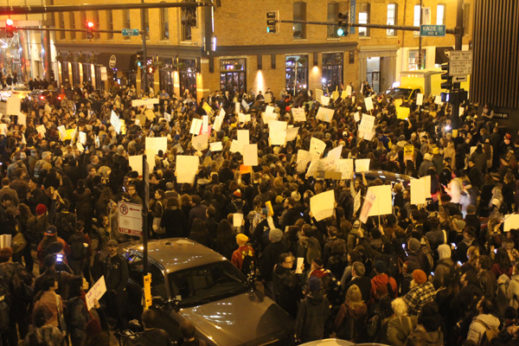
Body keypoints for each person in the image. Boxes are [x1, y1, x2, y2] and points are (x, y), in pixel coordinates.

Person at [92, 239, 128, 330]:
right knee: (108, 310)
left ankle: (120, 328)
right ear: (107, 248)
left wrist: (118, 290)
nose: (112, 249)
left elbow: (124, 277)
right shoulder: (105, 260)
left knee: (118, 312)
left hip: (116, 292)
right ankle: (111, 326)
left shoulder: (121, 261)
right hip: (106, 290)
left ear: (117, 248)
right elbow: (100, 274)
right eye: (110, 246)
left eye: (114, 247)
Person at [294, 276, 330, 343]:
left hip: (306, 336)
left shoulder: (304, 303)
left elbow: (300, 321)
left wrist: (298, 336)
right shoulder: (325, 301)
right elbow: (327, 317)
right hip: (320, 333)